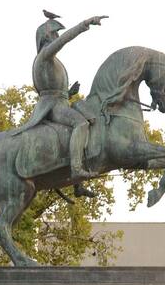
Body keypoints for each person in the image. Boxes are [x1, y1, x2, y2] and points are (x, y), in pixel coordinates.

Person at [15, 10, 107, 198]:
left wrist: (69, 92)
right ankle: (76, 169)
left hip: (61, 101)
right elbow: (63, 41)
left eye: (57, 34)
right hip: (53, 106)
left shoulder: (52, 60)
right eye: (54, 34)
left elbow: (52, 86)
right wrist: (85, 24)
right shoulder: (45, 56)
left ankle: (78, 185)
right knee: (80, 124)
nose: (57, 37)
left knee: (91, 117)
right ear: (46, 37)